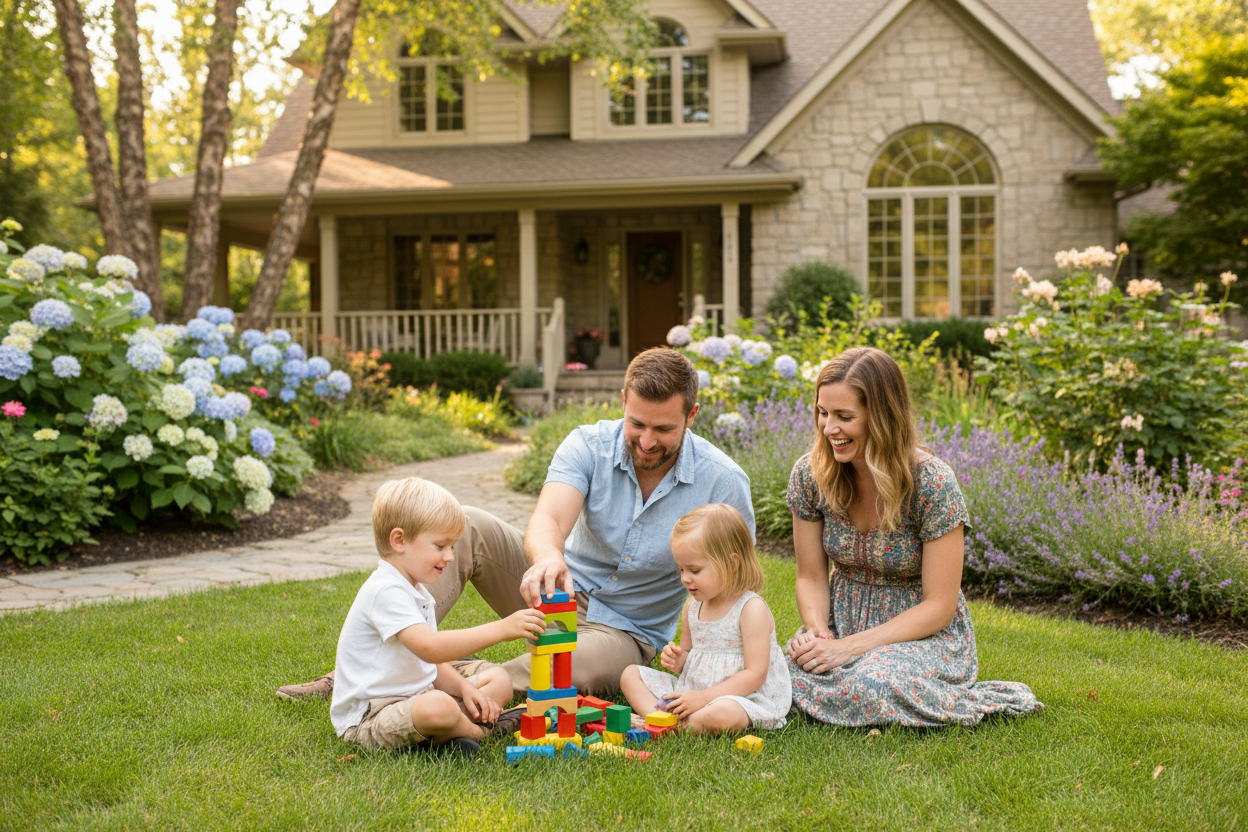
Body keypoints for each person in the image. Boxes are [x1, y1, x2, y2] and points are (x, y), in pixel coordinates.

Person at [279, 347, 755, 700]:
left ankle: (463, 686)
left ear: (691, 415)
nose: (646, 442)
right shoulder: (588, 445)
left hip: (625, 633)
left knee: (572, 666)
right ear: (623, 401)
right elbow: (549, 516)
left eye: (664, 429)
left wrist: (715, 663)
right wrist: (548, 558)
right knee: (470, 525)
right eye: (636, 424)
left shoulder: (723, 483)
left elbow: (735, 584)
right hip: (557, 596)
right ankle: (359, 671)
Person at [785, 346, 1043, 727]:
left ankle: (972, 701)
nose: (828, 428)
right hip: (842, 621)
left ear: (883, 418)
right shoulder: (811, 474)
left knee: (876, 680)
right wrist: (819, 634)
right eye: (822, 413)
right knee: (773, 670)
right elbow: (810, 576)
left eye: (844, 417)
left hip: (920, 636)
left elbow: (939, 605)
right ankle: (842, 690)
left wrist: (848, 650)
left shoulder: (933, 483)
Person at [330, 477, 545, 755]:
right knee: (438, 706)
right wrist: (503, 628)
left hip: (416, 699)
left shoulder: (415, 589)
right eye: (441, 546)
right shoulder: (384, 591)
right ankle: (480, 730)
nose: (450, 557)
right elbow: (430, 649)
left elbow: (425, 663)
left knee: (499, 680)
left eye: (452, 547)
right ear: (399, 540)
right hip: (370, 718)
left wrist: (464, 689)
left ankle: (442, 735)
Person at [619, 504, 791, 733]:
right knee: (630, 675)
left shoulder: (750, 609)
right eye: (681, 569)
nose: (685, 579)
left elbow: (755, 674)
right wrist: (680, 661)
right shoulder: (692, 606)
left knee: (724, 714)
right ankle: (665, 722)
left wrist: (703, 697)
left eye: (695, 570)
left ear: (732, 563)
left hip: (741, 697)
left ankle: (672, 723)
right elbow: (689, 662)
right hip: (694, 691)